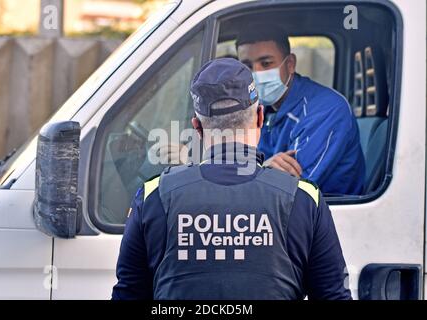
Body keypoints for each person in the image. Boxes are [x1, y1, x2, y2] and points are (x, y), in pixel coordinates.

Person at [112, 58, 352, 300]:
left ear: (197, 127)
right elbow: (334, 296)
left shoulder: (153, 197)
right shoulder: (303, 200)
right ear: (259, 117)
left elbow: (128, 294)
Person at [237, 24, 365, 195]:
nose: (256, 74)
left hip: (327, 217)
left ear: (290, 64)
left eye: (266, 63)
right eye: (246, 66)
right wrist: (262, 170)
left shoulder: (326, 110)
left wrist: (258, 173)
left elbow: (289, 189)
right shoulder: (264, 108)